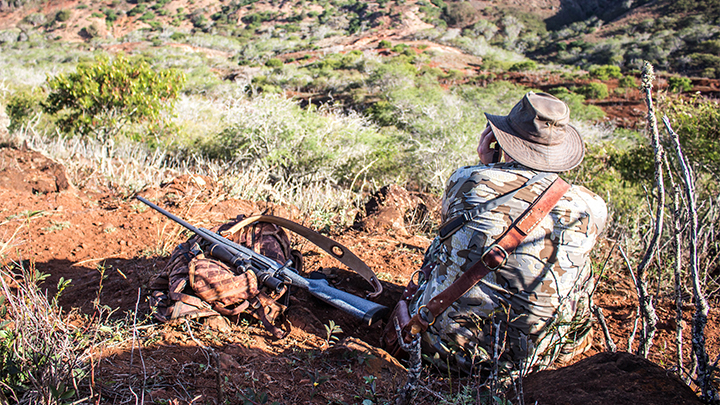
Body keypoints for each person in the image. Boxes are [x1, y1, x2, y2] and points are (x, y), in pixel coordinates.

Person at [406, 92, 607, 376]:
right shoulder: (592, 207)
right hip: (535, 363)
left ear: (500, 138)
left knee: (442, 246)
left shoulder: (468, 180)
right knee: (580, 269)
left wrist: (488, 165)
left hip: (442, 350)